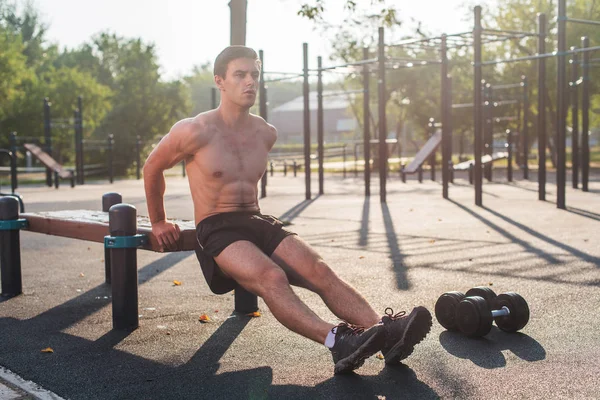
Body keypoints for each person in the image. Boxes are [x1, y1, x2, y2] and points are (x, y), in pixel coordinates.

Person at [142, 45, 432, 374]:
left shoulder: (265, 133)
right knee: (272, 276)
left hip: (256, 219)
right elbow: (152, 167)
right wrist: (159, 221)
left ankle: (387, 332)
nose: (250, 81)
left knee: (320, 271)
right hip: (216, 227)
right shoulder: (194, 130)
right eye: (240, 75)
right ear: (220, 81)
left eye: (255, 74)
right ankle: (338, 342)